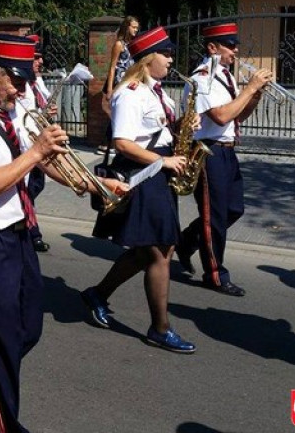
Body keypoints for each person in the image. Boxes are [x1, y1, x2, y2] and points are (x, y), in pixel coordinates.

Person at [0, 30, 126, 432]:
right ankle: (6, 425)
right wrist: (36, 150)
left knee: (28, 328)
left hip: (18, 230)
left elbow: (42, 165)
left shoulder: (12, 112)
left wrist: (95, 184)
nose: (23, 91)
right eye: (17, 81)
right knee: (3, 336)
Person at [82, 26, 196, 354]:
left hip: (160, 168)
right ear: (147, 59)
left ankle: (98, 294)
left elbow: (157, 130)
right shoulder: (129, 92)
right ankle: (160, 328)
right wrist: (164, 162)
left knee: (156, 249)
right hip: (145, 172)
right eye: (167, 53)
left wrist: (182, 129)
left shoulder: (156, 91)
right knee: (159, 251)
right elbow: (122, 142)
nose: (171, 59)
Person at [175, 22, 272, 297]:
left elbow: (237, 116)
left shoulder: (225, 77)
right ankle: (215, 274)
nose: (235, 50)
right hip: (209, 151)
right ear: (212, 47)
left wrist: (254, 96)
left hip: (227, 150)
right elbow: (220, 116)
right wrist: (249, 88)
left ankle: (186, 241)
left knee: (234, 209)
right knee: (214, 217)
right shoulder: (203, 77)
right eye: (230, 45)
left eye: (235, 44)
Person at [21, 34, 55, 253]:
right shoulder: (20, 83)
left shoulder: (38, 81)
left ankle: (26, 224)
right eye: (36, 57)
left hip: (39, 141)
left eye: (40, 57)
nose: (40, 62)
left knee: (36, 186)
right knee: (27, 189)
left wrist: (49, 114)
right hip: (26, 143)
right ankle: (32, 232)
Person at [103, 15, 139, 97]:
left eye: (137, 28)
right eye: (133, 27)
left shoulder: (132, 44)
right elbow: (112, 67)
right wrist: (109, 89)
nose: (136, 30)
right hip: (119, 82)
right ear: (127, 27)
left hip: (130, 82)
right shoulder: (119, 44)